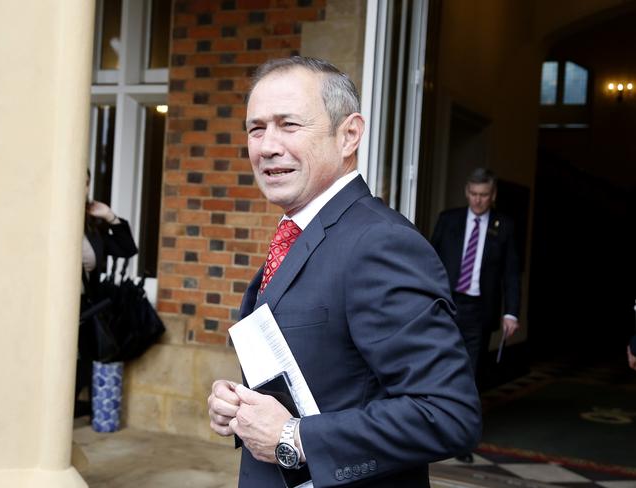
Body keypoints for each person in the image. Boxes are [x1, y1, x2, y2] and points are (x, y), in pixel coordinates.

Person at [207, 57, 481, 488]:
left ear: (349, 134)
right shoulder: (298, 233)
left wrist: (292, 437)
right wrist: (245, 406)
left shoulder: (380, 244)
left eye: (289, 125)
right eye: (256, 128)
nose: (267, 145)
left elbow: (447, 415)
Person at [431, 168, 521, 462]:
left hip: (480, 310)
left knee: (469, 374)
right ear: (466, 192)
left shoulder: (503, 226)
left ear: (492, 195)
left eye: (484, 196)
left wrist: (511, 313)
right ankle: (432, 429)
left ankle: (461, 440)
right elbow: (430, 261)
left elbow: (511, 272)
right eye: (473, 194)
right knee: (438, 367)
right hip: (447, 305)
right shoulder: (449, 220)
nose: (478, 201)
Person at [75, 169, 137, 417]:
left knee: (84, 361)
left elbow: (127, 249)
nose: (83, 188)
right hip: (52, 307)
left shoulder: (90, 226)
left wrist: (110, 217)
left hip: (85, 307)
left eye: (86, 183)